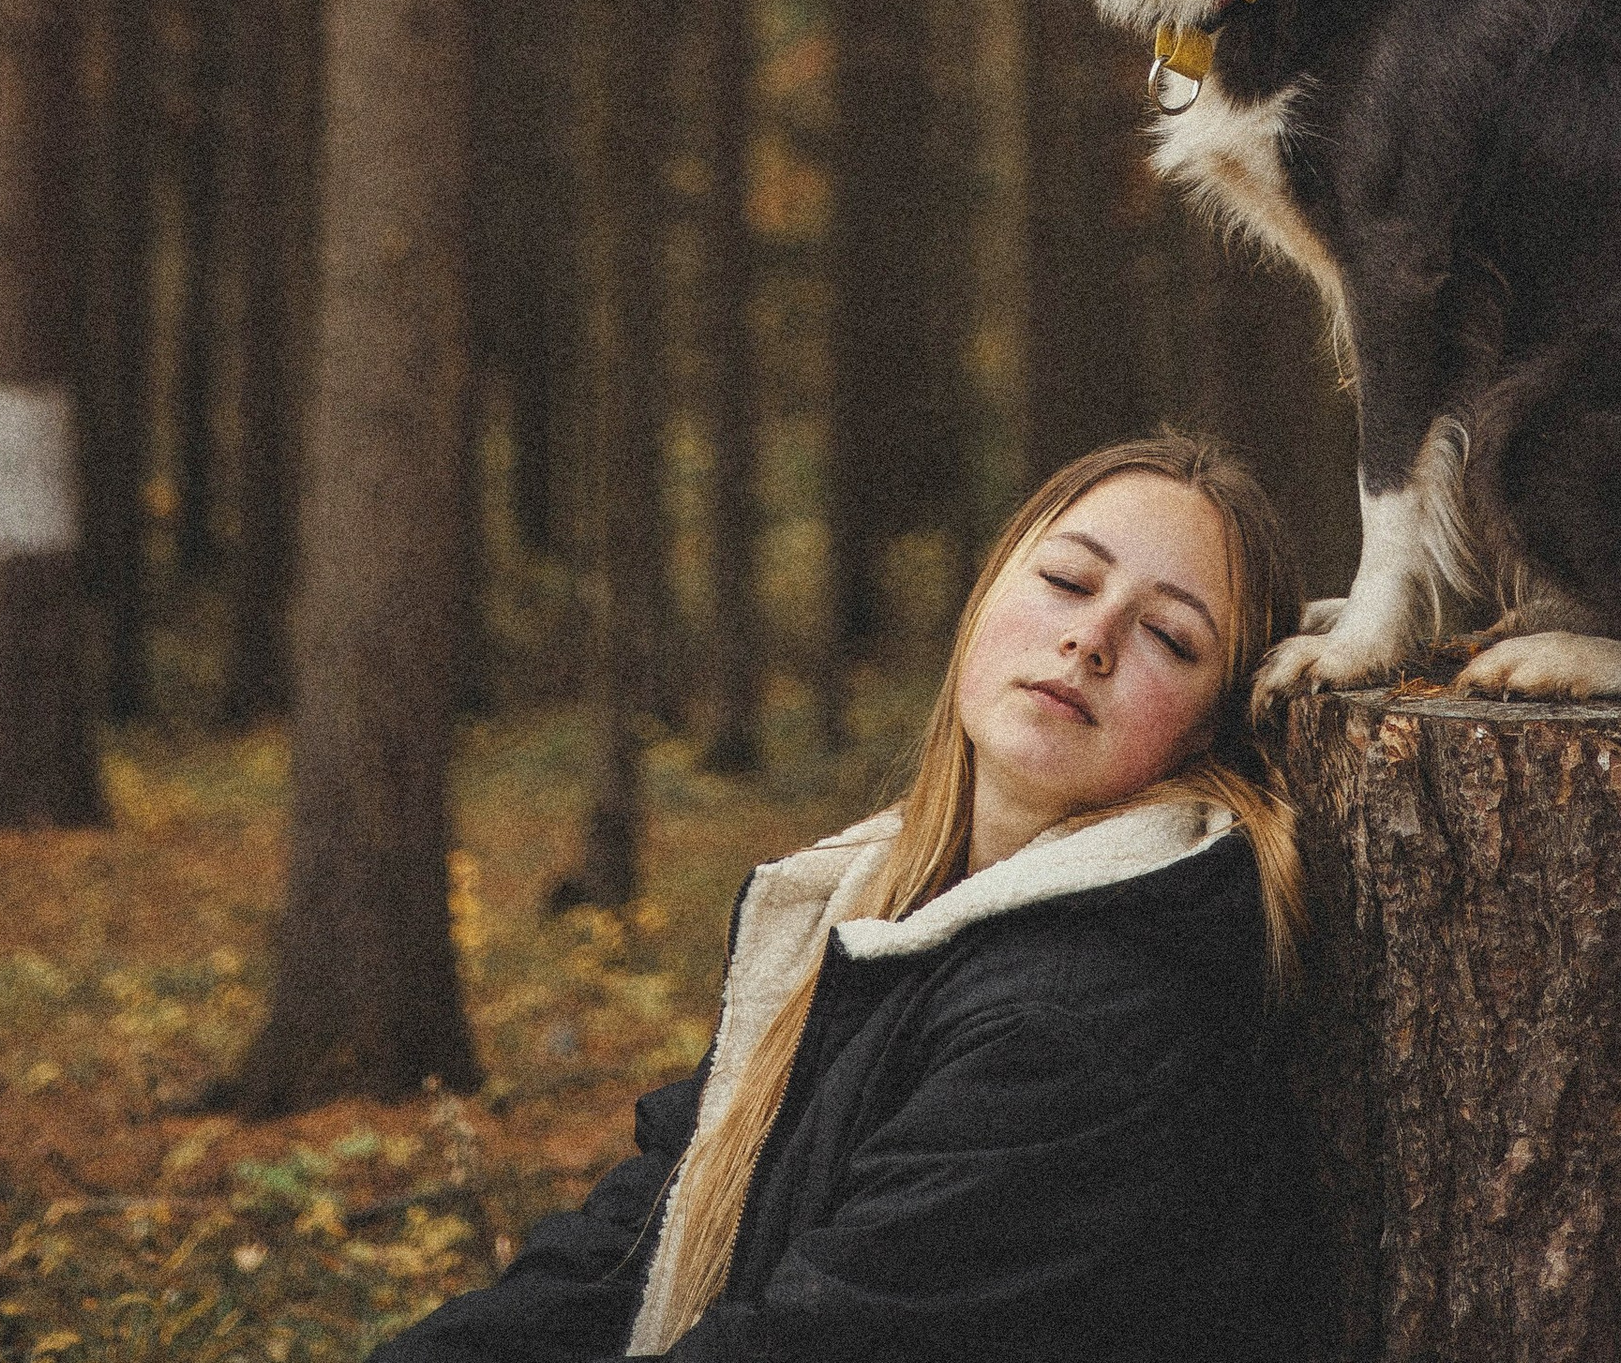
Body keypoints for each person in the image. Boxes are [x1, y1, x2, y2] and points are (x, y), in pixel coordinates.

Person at [375, 432, 1315, 1362]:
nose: (1092, 639)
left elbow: (830, 1336)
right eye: (1069, 581)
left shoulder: (1093, 1018)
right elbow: (642, 1233)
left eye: (1169, 637)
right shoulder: (866, 902)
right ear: (987, 595)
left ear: (1210, 732)